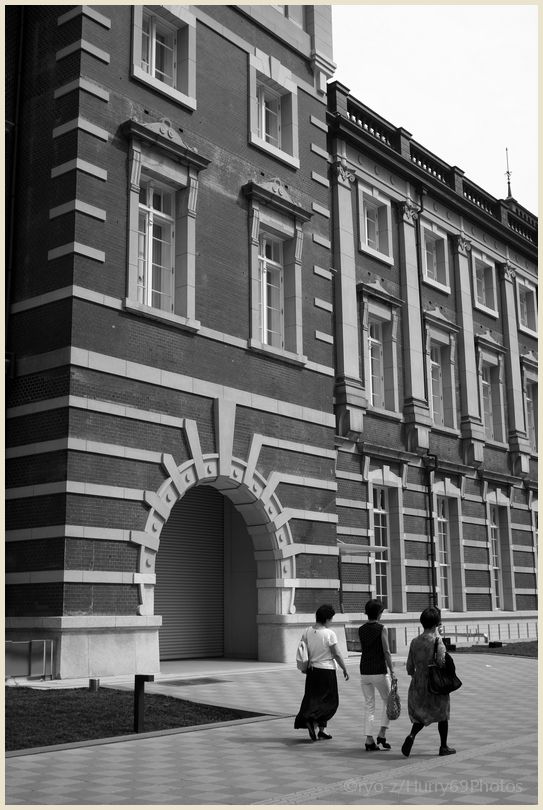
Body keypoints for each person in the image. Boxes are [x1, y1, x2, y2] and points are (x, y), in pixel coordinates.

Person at [401, 606, 456, 757]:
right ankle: (443, 746)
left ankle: (411, 736)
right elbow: (441, 662)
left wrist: (417, 676)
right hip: (435, 684)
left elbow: (409, 667)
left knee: (421, 714)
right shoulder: (437, 641)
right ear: (436, 624)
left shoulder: (414, 641)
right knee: (442, 714)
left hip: (418, 684)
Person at [294, 604, 349, 741]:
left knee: (313, 698)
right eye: (331, 619)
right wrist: (344, 668)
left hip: (312, 671)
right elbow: (336, 653)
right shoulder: (329, 634)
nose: (332, 621)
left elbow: (303, 650)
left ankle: (322, 730)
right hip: (327, 671)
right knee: (330, 701)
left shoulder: (307, 631)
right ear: (326, 619)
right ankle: (312, 720)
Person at [358, 598, 396, 751]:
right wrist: (392, 670)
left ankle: (369, 739)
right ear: (379, 613)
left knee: (369, 705)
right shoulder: (382, 628)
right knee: (388, 702)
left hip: (364, 670)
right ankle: (382, 733)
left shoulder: (361, 629)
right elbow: (386, 651)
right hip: (379, 670)